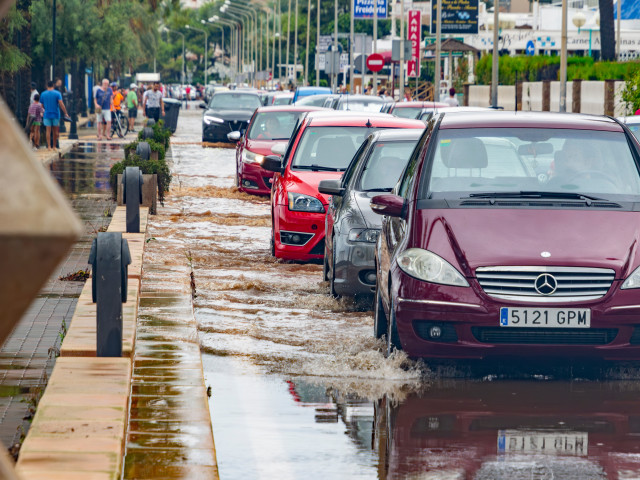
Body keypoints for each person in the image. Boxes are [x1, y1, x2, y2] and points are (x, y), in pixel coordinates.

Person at [40, 80, 70, 151]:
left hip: (47, 114)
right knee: (55, 131)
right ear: (53, 85)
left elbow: (41, 105)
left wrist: (43, 111)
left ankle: (49, 147)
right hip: (56, 114)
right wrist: (65, 112)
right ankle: (54, 146)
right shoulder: (57, 93)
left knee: (48, 131)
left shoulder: (43, 94)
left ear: (47, 86)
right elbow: (61, 103)